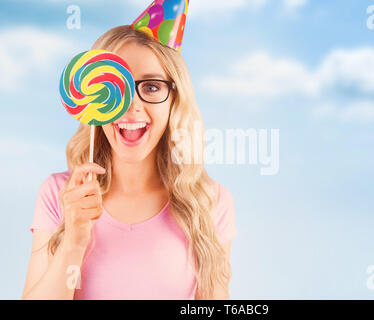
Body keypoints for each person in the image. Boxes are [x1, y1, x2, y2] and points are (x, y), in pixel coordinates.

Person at [22, 25, 237, 300]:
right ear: (92, 96)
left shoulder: (210, 201)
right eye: (115, 87)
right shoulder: (59, 194)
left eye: (151, 86)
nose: (131, 105)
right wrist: (72, 243)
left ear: (174, 99)